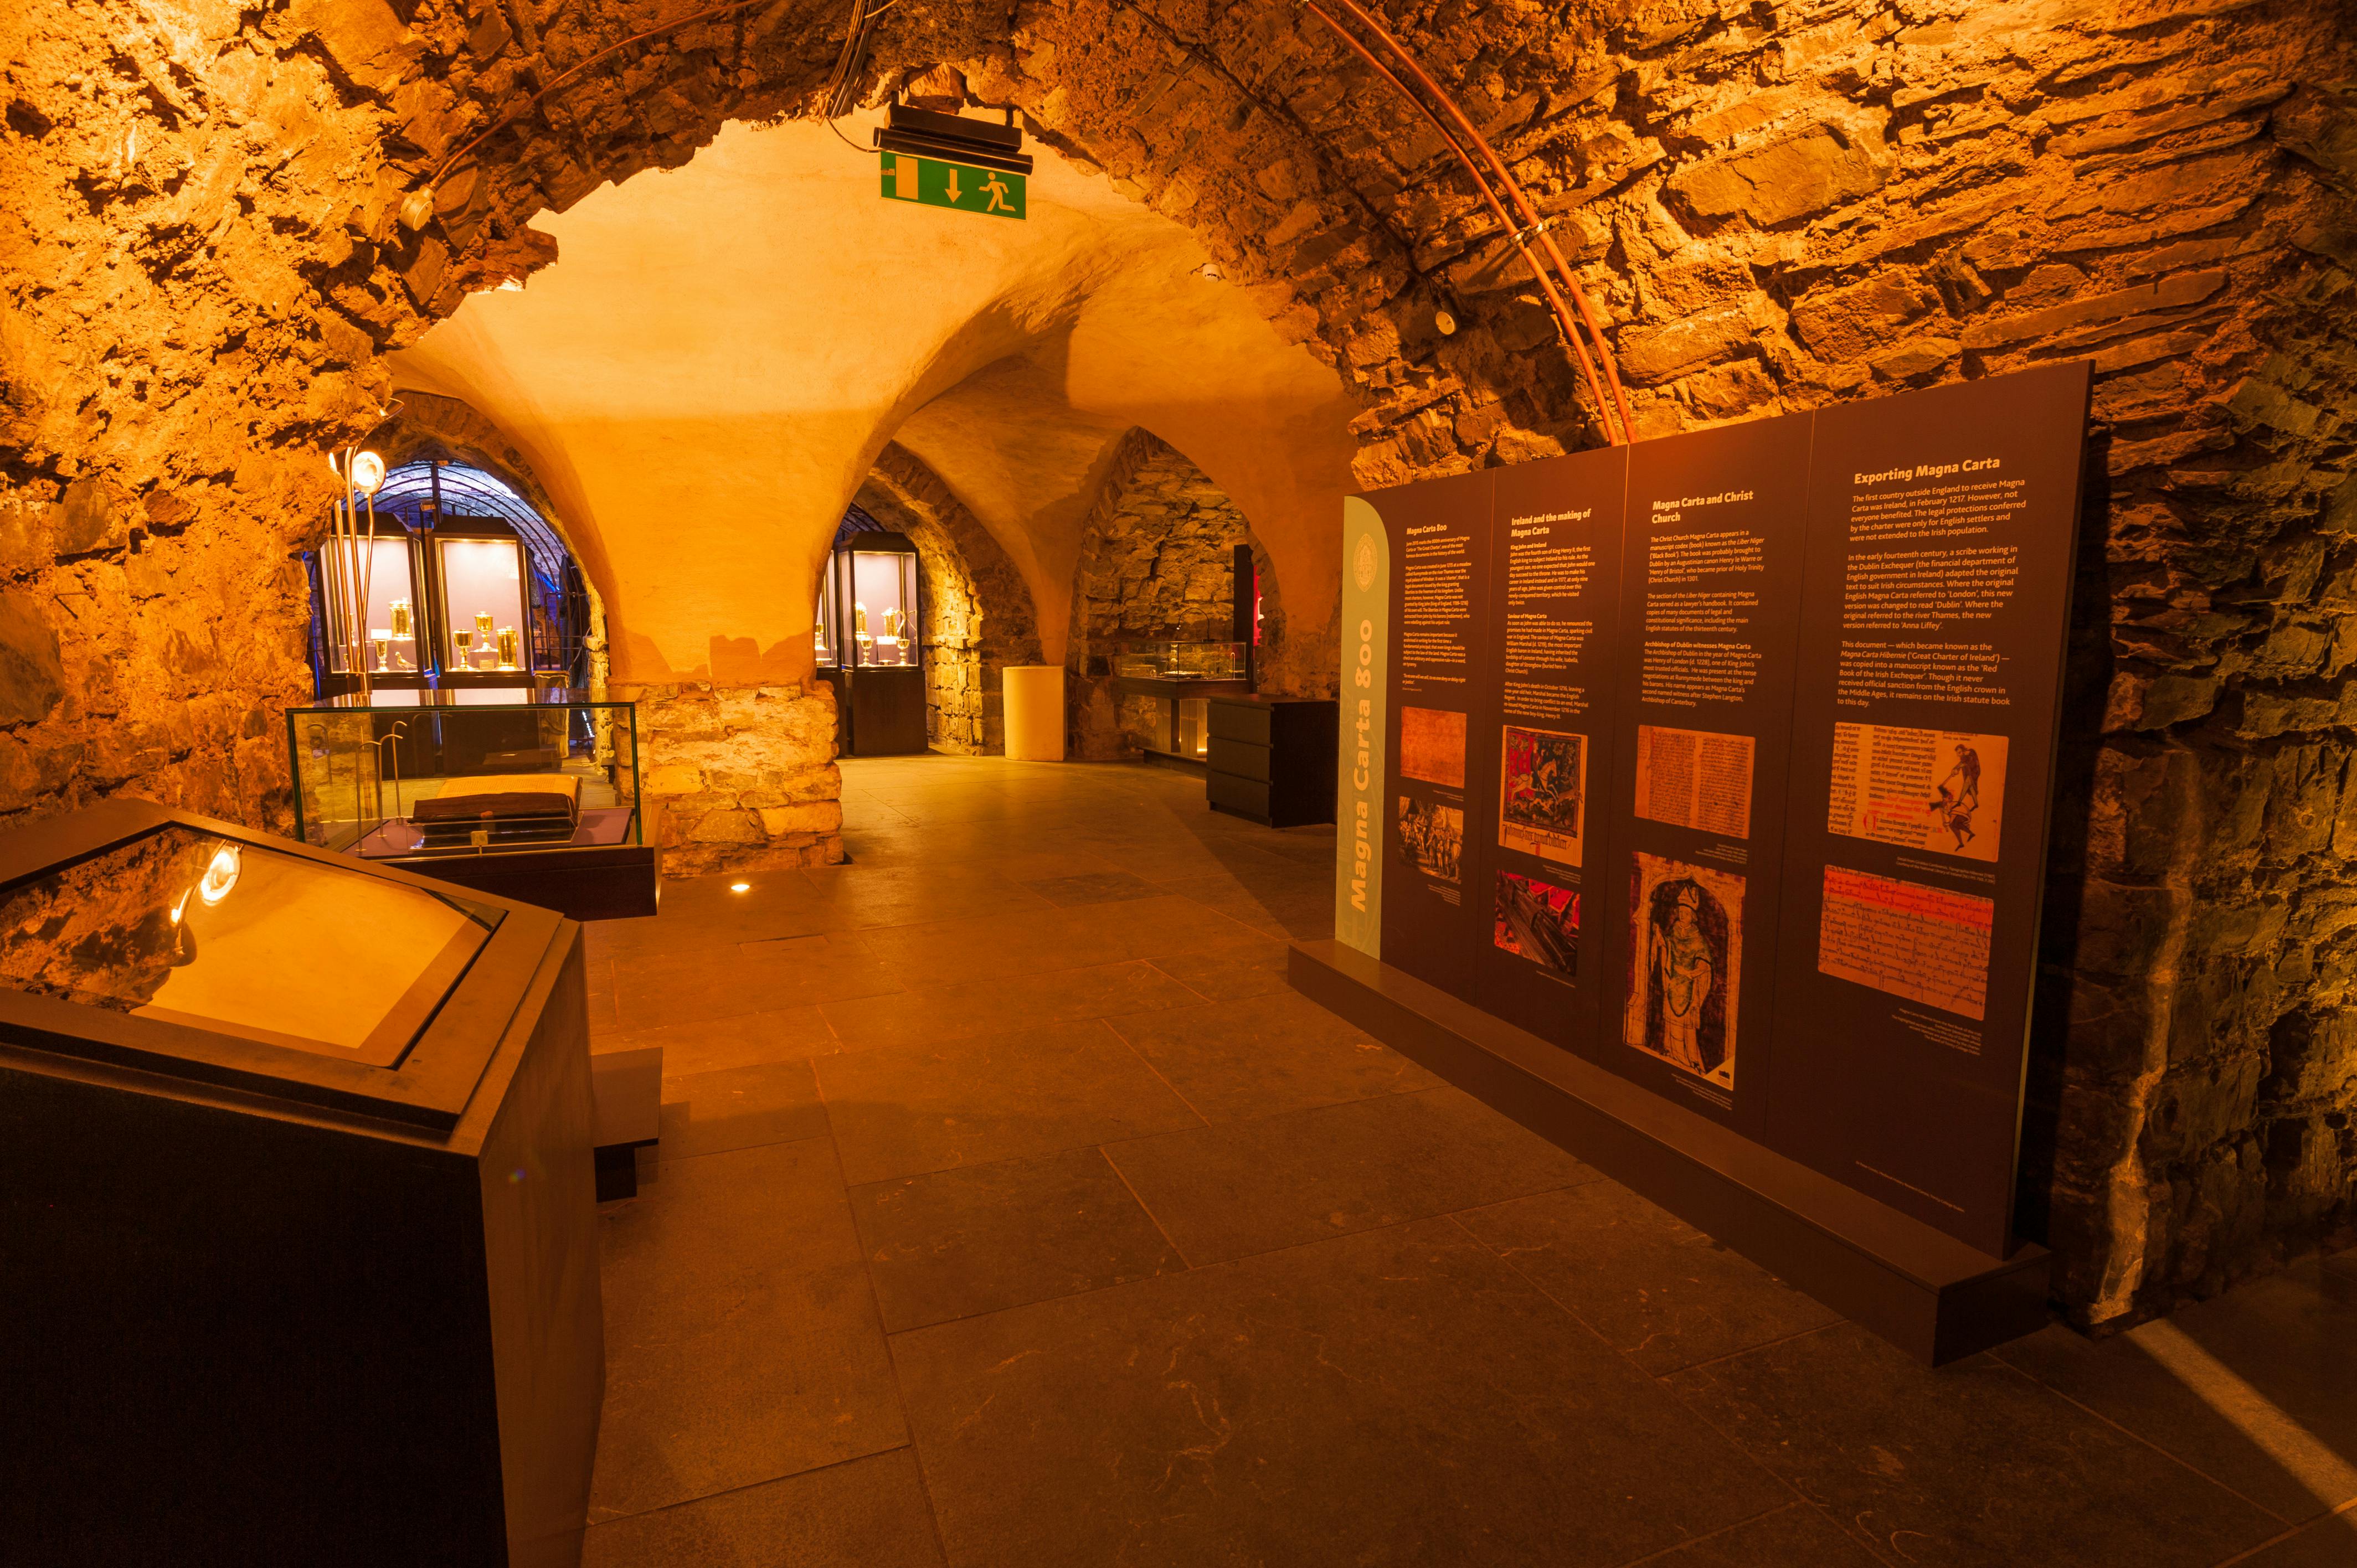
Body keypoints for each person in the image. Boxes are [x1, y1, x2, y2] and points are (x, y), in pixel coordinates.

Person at [1650, 884, 1715, 1074]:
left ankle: (1689, 1060)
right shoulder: (1675, 931)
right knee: (1671, 1023)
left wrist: (1690, 974)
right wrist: (1660, 937)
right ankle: (1672, 1052)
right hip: (1673, 984)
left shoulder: (1698, 939)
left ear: (1692, 916)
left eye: (1685, 913)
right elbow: (1668, 947)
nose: (1682, 916)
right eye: (1680, 912)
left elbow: (1705, 965)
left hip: (1689, 987)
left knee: (1687, 1027)